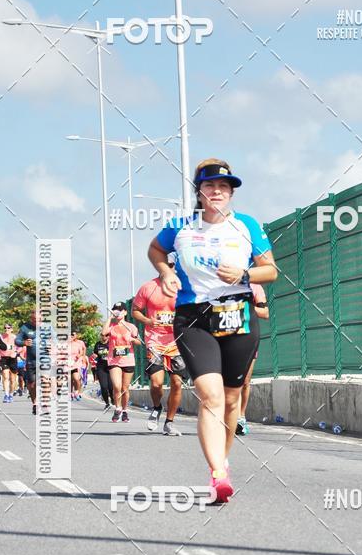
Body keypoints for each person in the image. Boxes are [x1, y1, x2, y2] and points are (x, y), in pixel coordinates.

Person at [147, 158, 277, 502]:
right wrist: (165, 272)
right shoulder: (180, 227)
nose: (216, 192)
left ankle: (223, 459)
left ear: (231, 193)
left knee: (233, 399)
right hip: (194, 319)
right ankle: (218, 474)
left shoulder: (247, 226)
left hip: (238, 316)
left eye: (223, 187)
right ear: (199, 192)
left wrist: (244, 276)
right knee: (211, 396)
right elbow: (156, 248)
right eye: (209, 187)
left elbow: (271, 270)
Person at [132, 271, 187, 436]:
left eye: (172, 265)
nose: (170, 268)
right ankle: (157, 407)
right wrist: (148, 321)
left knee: (177, 383)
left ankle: (169, 422)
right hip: (155, 341)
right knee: (156, 383)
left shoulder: (182, 287)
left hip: (177, 341)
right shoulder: (148, 287)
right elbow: (135, 310)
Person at [236, 282, 269, 435]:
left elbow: (265, 313)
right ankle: (228, 415)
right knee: (226, 382)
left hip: (248, 338)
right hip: (224, 338)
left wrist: (245, 308)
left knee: (244, 382)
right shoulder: (220, 283)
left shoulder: (255, 287)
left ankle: (241, 417)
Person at [101, 302, 141, 423]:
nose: (117, 312)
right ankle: (117, 408)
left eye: (120, 310)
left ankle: (124, 410)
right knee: (116, 386)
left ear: (125, 312)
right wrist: (109, 318)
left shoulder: (131, 327)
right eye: (115, 310)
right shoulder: (111, 327)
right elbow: (103, 334)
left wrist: (132, 339)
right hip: (114, 360)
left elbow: (139, 342)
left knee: (124, 388)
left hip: (128, 360)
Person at [15, 309, 38, 414]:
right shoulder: (25, 328)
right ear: (31, 319)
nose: (36, 322)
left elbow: (56, 339)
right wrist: (24, 342)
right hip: (31, 361)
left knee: (46, 381)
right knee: (32, 384)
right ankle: (35, 403)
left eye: (38, 320)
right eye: (34, 320)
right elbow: (17, 340)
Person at [91, 335, 113, 409]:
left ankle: (113, 399)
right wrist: (94, 355)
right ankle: (107, 403)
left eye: (106, 336)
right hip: (101, 367)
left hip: (111, 367)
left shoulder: (111, 343)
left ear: (108, 336)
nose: (104, 337)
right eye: (102, 336)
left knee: (111, 387)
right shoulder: (98, 344)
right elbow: (95, 353)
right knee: (104, 386)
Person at [0, 323, 18, 403]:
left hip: (13, 359)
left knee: (12, 379)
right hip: (4, 359)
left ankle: (11, 395)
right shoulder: (1, 337)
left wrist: (16, 352)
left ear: (12, 329)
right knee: (5, 377)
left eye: (8, 328)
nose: (7, 329)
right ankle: (6, 395)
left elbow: (21, 347)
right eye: (5, 328)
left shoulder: (15, 337)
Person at [68, 330, 86, 401]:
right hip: (67, 364)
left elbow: (82, 351)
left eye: (73, 334)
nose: (71, 336)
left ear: (76, 335)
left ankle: (76, 392)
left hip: (76, 363)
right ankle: (70, 393)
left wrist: (81, 356)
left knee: (76, 378)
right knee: (69, 379)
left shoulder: (79, 343)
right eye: (70, 335)